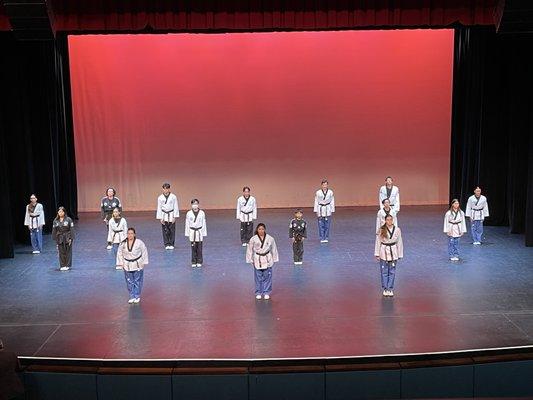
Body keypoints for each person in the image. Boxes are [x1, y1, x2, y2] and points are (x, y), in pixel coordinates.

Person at [246, 223, 279, 300]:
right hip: (258, 258)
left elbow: (274, 249)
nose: (261, 231)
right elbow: (249, 249)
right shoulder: (253, 239)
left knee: (267, 277)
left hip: (267, 258)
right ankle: (258, 292)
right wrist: (250, 259)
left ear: (265, 230)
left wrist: (274, 259)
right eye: (259, 229)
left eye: (262, 229)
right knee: (258, 277)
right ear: (257, 230)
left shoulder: (270, 238)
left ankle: (266, 292)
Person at [116, 228, 148, 304]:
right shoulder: (123, 243)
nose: (130, 235)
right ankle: (131, 296)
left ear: (134, 234)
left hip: (137, 264)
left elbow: (144, 251)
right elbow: (119, 253)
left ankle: (137, 296)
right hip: (127, 264)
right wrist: (121, 263)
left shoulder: (139, 242)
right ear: (127, 234)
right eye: (128, 233)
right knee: (129, 281)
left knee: (137, 281)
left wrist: (144, 262)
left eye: (131, 233)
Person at [375, 214, 403, 297]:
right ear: (385, 220)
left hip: (393, 251)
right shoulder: (381, 230)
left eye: (391, 219)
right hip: (384, 251)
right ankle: (385, 288)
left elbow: (400, 242)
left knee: (392, 271)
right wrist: (377, 253)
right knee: (384, 271)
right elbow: (378, 242)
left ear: (393, 220)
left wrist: (400, 254)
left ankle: (390, 288)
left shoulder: (397, 230)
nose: (389, 221)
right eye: (388, 220)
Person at [156, 182, 179, 249]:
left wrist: (175, 216)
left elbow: (176, 206)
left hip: (171, 214)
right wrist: (160, 218)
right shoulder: (160, 197)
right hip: (164, 215)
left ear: (169, 189)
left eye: (167, 189)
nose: (166, 190)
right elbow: (159, 207)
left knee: (172, 230)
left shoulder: (173, 197)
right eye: (164, 189)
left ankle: (171, 244)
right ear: (162, 189)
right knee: (165, 230)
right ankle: (166, 244)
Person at [185, 199, 207, 267]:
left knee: (199, 248)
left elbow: (204, 223)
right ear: (191, 205)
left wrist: (204, 233)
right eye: (194, 204)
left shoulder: (202, 213)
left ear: (198, 204)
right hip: (192, 232)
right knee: (193, 248)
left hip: (199, 232)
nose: (195, 205)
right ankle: (193, 261)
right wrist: (187, 233)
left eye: (196, 204)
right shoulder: (189, 213)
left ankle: (199, 261)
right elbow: (187, 224)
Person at [52, 207, 74, 271]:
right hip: (60, 237)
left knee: (68, 251)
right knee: (61, 251)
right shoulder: (55, 221)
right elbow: (54, 230)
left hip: (67, 236)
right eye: (59, 212)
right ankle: (62, 265)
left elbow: (72, 229)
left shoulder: (68, 219)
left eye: (61, 211)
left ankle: (67, 265)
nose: (60, 213)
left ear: (64, 212)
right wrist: (55, 239)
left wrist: (71, 238)